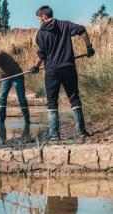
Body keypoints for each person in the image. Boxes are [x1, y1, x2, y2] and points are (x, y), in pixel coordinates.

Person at [29, 5, 95, 140]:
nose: (39, 21)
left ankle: (54, 134)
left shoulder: (41, 34)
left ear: (44, 17)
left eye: (39, 19)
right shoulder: (65, 24)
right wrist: (89, 47)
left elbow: (42, 54)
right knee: (74, 98)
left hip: (52, 71)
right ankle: (81, 132)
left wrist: (35, 67)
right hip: (68, 67)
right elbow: (82, 30)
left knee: (52, 101)